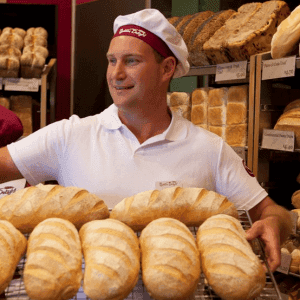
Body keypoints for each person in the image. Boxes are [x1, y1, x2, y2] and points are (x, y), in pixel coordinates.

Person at [0, 9, 292, 272]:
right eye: (112, 60)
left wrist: (274, 223)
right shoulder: (71, 135)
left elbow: (272, 211)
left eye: (131, 61)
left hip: (176, 289)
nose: (116, 73)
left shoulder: (208, 148)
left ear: (166, 69)